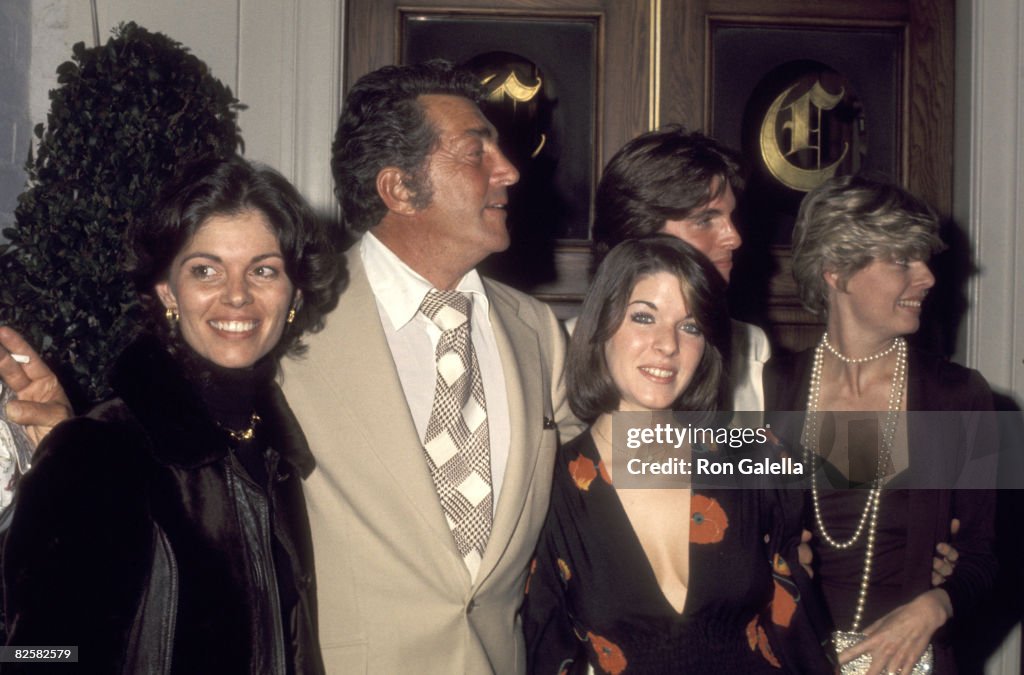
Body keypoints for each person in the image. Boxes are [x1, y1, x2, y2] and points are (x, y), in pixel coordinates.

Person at [275, 60, 582, 672]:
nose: (510, 171)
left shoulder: (538, 332)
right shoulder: (290, 325)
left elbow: (606, 476)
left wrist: (782, 472)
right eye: (477, 152)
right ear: (399, 189)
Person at [2, 155, 342, 673]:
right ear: (167, 293)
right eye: (205, 269)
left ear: (293, 295)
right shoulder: (100, 454)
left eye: (264, 270)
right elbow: (30, 657)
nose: (236, 295)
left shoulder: (275, 453)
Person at [522, 235, 833, 674]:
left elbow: (800, 636)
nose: (667, 344)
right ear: (599, 327)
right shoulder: (548, 487)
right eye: (643, 317)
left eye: (690, 327)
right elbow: (544, 653)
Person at [764, 174, 997, 674]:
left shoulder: (961, 395)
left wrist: (939, 604)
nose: (928, 277)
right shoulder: (771, 388)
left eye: (924, 258)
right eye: (901, 260)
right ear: (835, 270)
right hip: (791, 660)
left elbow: (992, 552)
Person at [591, 125, 769, 412]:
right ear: (640, 233)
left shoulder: (751, 349)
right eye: (705, 220)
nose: (734, 237)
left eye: (730, 217)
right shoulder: (554, 350)